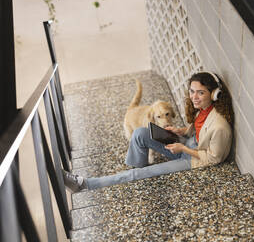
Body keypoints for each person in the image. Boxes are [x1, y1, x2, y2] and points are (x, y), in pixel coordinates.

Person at [63, 72, 234, 192]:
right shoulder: (202, 109)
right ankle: (135, 174)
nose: (194, 97)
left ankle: (84, 184)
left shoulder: (219, 126)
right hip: (188, 145)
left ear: (213, 94)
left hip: (194, 159)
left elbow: (213, 158)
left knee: (139, 173)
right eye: (192, 91)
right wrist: (180, 131)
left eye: (201, 93)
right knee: (139, 133)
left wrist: (183, 150)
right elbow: (196, 131)